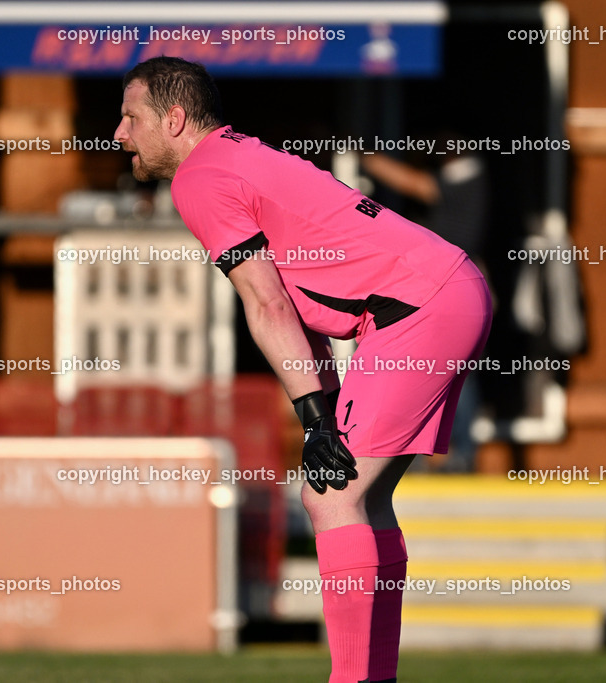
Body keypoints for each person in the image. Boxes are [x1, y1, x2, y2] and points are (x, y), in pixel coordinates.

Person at [115, 57, 492, 683]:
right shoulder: (232, 157)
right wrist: (324, 408)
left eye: (131, 118)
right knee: (362, 501)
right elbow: (292, 309)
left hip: (420, 305)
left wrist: (315, 419)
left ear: (174, 119)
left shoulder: (198, 177)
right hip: (440, 290)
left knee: (329, 493)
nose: (120, 133)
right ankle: (373, 675)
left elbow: (265, 304)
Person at [361, 138, 491, 473]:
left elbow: (416, 184)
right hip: (455, 290)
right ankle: (443, 451)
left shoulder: (466, 176)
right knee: (448, 371)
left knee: (448, 373)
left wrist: (367, 158)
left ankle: (451, 452)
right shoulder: (468, 180)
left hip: (451, 292)